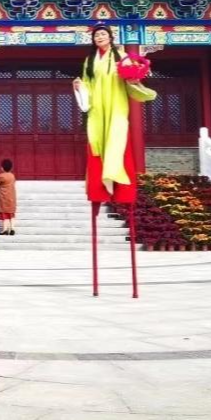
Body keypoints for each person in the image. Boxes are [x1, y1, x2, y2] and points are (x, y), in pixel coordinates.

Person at [73, 23, 156, 297]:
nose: (100, 38)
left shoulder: (122, 57)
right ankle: (104, 179)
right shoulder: (89, 61)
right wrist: (79, 86)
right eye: (96, 35)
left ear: (110, 37)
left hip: (117, 105)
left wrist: (134, 78)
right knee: (97, 140)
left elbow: (132, 80)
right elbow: (87, 85)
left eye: (103, 34)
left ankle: (113, 175)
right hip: (98, 109)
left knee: (117, 138)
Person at [0, 159, 17, 235]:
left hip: (3, 197)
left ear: (2, 167)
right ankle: (12, 228)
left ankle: (5, 229)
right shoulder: (12, 176)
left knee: (4, 213)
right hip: (11, 196)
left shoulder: (1, 176)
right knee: (11, 213)